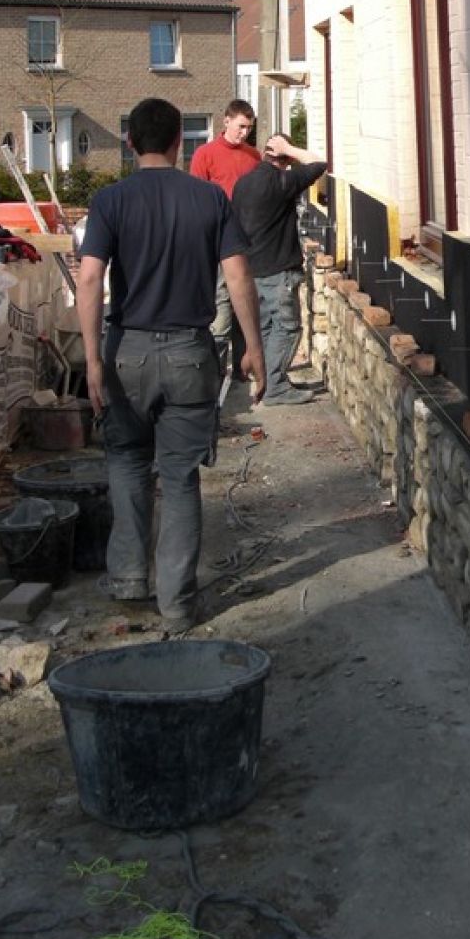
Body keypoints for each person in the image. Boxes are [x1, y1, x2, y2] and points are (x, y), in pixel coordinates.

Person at [76, 98, 266, 634]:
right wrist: (254, 347)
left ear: (130, 143)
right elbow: (238, 277)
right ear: (180, 141)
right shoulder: (209, 199)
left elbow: (89, 279)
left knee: (127, 463)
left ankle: (129, 579)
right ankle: (178, 604)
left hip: (127, 352)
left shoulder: (109, 201)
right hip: (189, 353)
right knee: (180, 477)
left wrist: (92, 360)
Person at [231, 132, 327, 405]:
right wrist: (290, 149)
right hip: (277, 270)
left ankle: (265, 381)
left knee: (264, 328)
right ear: (285, 159)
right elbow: (319, 163)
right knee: (287, 328)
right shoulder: (281, 181)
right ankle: (275, 386)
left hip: (250, 270)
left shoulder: (243, 183)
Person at [190, 99, 262, 373]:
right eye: (241, 126)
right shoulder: (205, 154)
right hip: (218, 241)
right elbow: (197, 200)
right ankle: (215, 373)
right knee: (221, 309)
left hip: (248, 240)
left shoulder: (253, 156)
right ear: (227, 121)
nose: (244, 132)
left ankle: (244, 371)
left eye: (249, 128)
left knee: (246, 306)